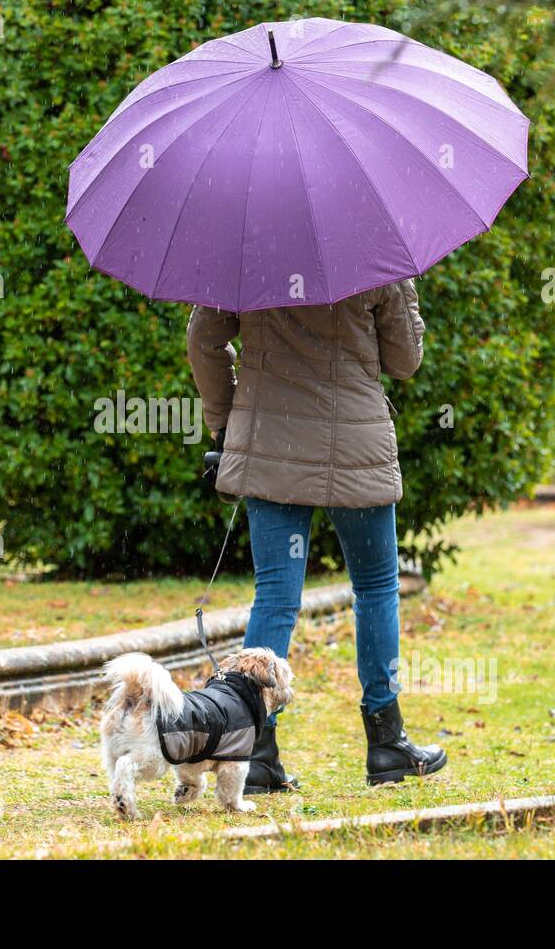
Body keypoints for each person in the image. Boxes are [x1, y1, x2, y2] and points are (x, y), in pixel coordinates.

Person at [186, 279, 447, 792]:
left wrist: (224, 420)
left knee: (277, 596)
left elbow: (203, 339)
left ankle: (256, 752)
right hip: (356, 448)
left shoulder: (248, 249)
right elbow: (404, 359)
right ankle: (386, 741)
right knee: (374, 588)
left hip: (269, 444)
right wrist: (405, 297)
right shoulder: (374, 256)